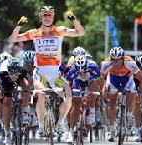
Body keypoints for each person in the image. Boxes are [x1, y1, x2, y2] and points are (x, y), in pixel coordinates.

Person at [10, 5, 85, 136]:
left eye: (49, 15)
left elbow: (80, 32)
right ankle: (40, 125)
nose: (47, 17)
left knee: (69, 96)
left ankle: (61, 123)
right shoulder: (34, 33)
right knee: (41, 93)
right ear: (40, 17)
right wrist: (19, 25)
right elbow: (14, 38)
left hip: (56, 74)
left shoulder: (60, 30)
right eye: (44, 15)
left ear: (53, 17)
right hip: (40, 73)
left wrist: (74, 20)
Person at [100, 47, 142, 142]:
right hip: (113, 79)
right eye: (114, 60)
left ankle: (129, 116)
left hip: (127, 79)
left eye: (118, 60)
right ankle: (112, 130)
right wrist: (104, 88)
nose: (116, 63)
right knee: (112, 104)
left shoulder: (130, 63)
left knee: (131, 99)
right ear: (110, 58)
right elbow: (101, 79)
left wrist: (141, 94)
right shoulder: (106, 63)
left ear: (123, 58)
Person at [0, 57, 31, 145]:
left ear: (19, 70)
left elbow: (31, 82)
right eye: (11, 73)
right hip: (7, 86)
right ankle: (7, 134)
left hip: (19, 84)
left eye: (16, 73)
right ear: (8, 70)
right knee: (7, 103)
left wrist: (31, 90)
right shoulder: (2, 75)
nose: (13, 76)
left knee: (26, 86)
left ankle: (25, 110)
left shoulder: (23, 71)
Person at [65, 55, 102, 143]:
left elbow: (101, 82)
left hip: (90, 81)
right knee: (76, 104)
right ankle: (70, 132)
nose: (82, 74)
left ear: (87, 67)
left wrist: (98, 95)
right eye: (79, 72)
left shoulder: (93, 68)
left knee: (93, 86)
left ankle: (91, 112)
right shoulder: (72, 71)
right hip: (78, 83)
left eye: (84, 71)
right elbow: (67, 85)